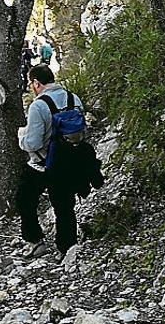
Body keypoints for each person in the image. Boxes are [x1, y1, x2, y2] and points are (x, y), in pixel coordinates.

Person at [17, 64, 102, 255]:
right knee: (64, 207)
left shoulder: (38, 106)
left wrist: (21, 137)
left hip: (43, 163)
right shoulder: (74, 98)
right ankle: (67, 248)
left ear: (36, 83)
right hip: (70, 160)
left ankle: (35, 240)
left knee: (25, 200)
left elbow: (33, 142)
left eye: (32, 83)